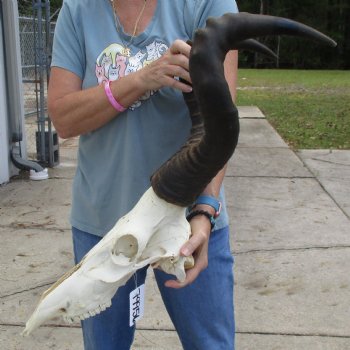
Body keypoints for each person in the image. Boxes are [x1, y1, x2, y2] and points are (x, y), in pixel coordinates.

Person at [48, 0, 238, 349]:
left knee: (210, 344)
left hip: (189, 218)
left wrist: (206, 209)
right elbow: (63, 118)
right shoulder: (77, 9)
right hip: (104, 221)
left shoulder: (206, 4)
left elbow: (220, 125)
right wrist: (142, 79)